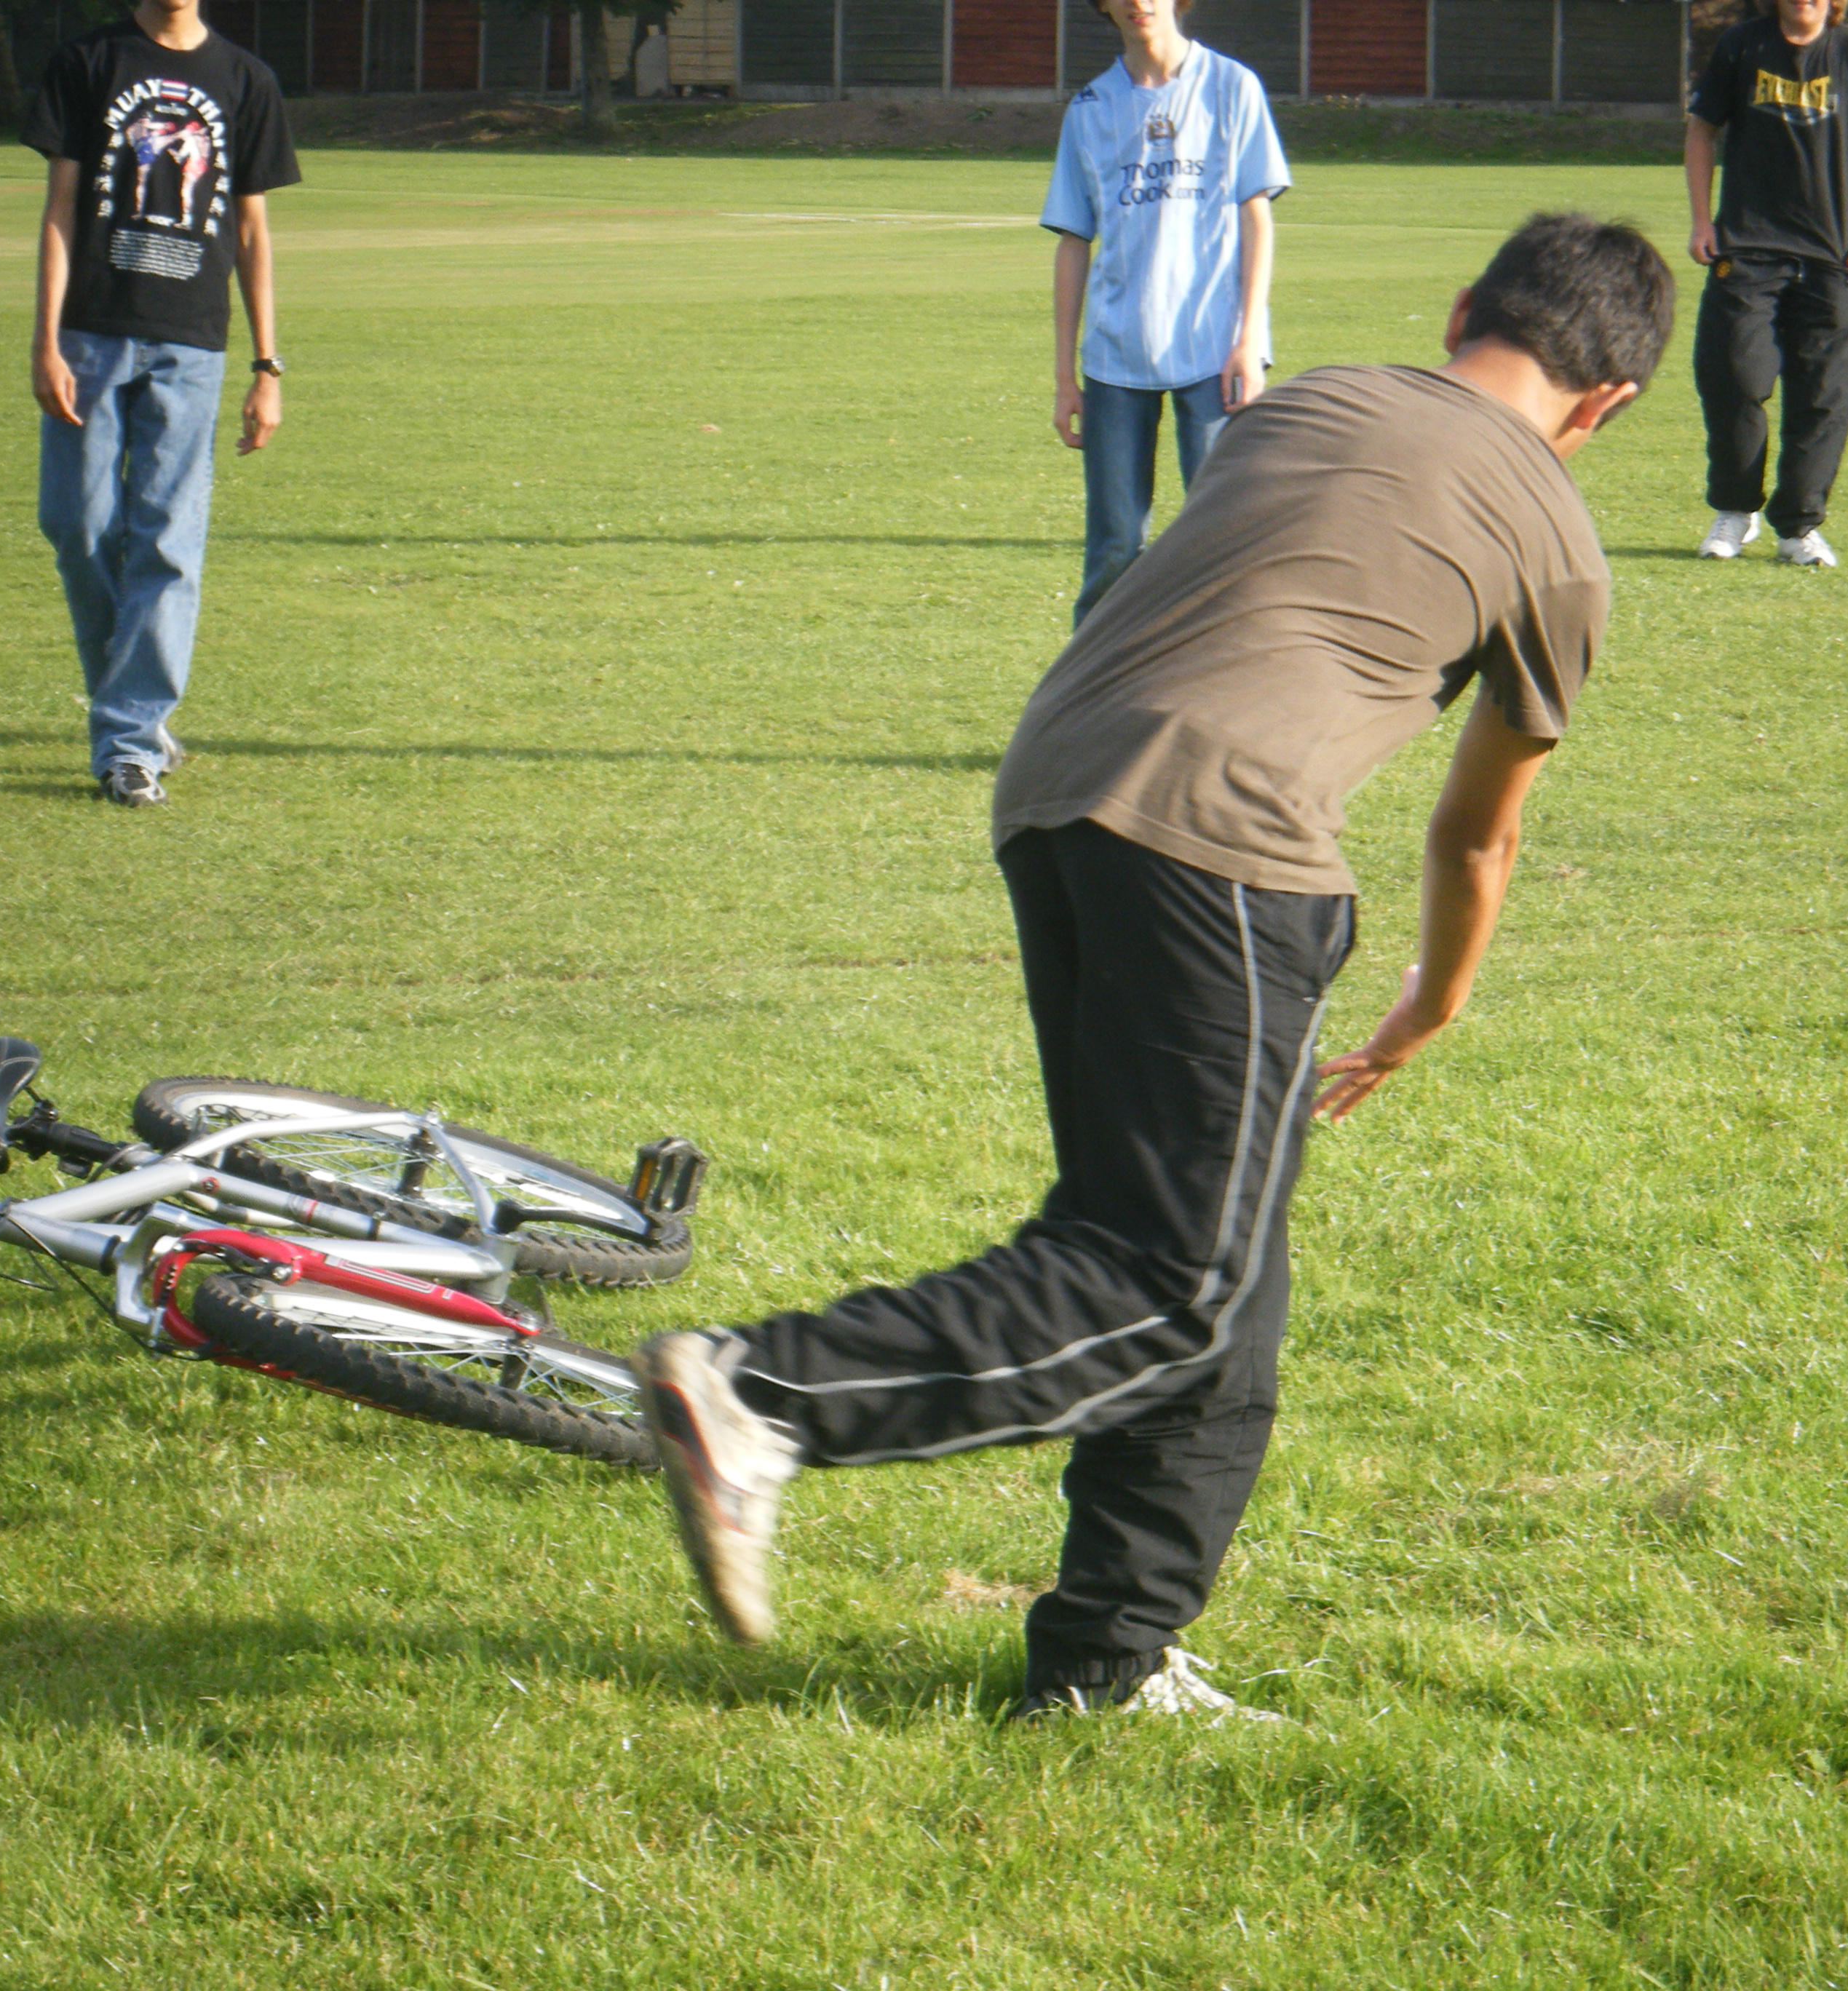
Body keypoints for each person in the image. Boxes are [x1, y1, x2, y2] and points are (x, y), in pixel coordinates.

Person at [634, 212, 1675, 1724]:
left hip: (1056, 788)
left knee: (1217, 1278)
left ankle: (1105, 1668)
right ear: (1611, 404)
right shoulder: (1560, 550)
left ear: (1463, 309)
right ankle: (763, 1396)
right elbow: (1475, 837)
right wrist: (1429, 1005)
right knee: (1170, 1281)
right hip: (1228, 841)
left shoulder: (1307, 400)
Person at [23, 0, 297, 808]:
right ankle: (131, 709)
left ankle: (130, 743)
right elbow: (61, 210)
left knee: (167, 544)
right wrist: (45, 340)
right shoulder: (88, 63)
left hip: (192, 344)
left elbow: (252, 230)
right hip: (89, 336)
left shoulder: (245, 78)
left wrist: (268, 365)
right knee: (76, 525)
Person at [1042, 0, 1288, 627]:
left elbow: (1256, 217)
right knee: (1115, 547)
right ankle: (1093, 680)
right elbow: (1073, 241)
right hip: (1116, 359)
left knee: (1221, 540)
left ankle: (1227, 671)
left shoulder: (1231, 86)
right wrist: (1065, 377)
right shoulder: (1090, 108)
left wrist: (1248, 339)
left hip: (1215, 352)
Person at [1684, 0, 1848, 568]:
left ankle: (1800, 528)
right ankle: (1735, 511)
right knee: (1734, 375)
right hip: (1746, 248)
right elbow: (1702, 128)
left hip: (1831, 257)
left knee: (1824, 394)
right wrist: (1702, 221)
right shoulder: (1742, 45)